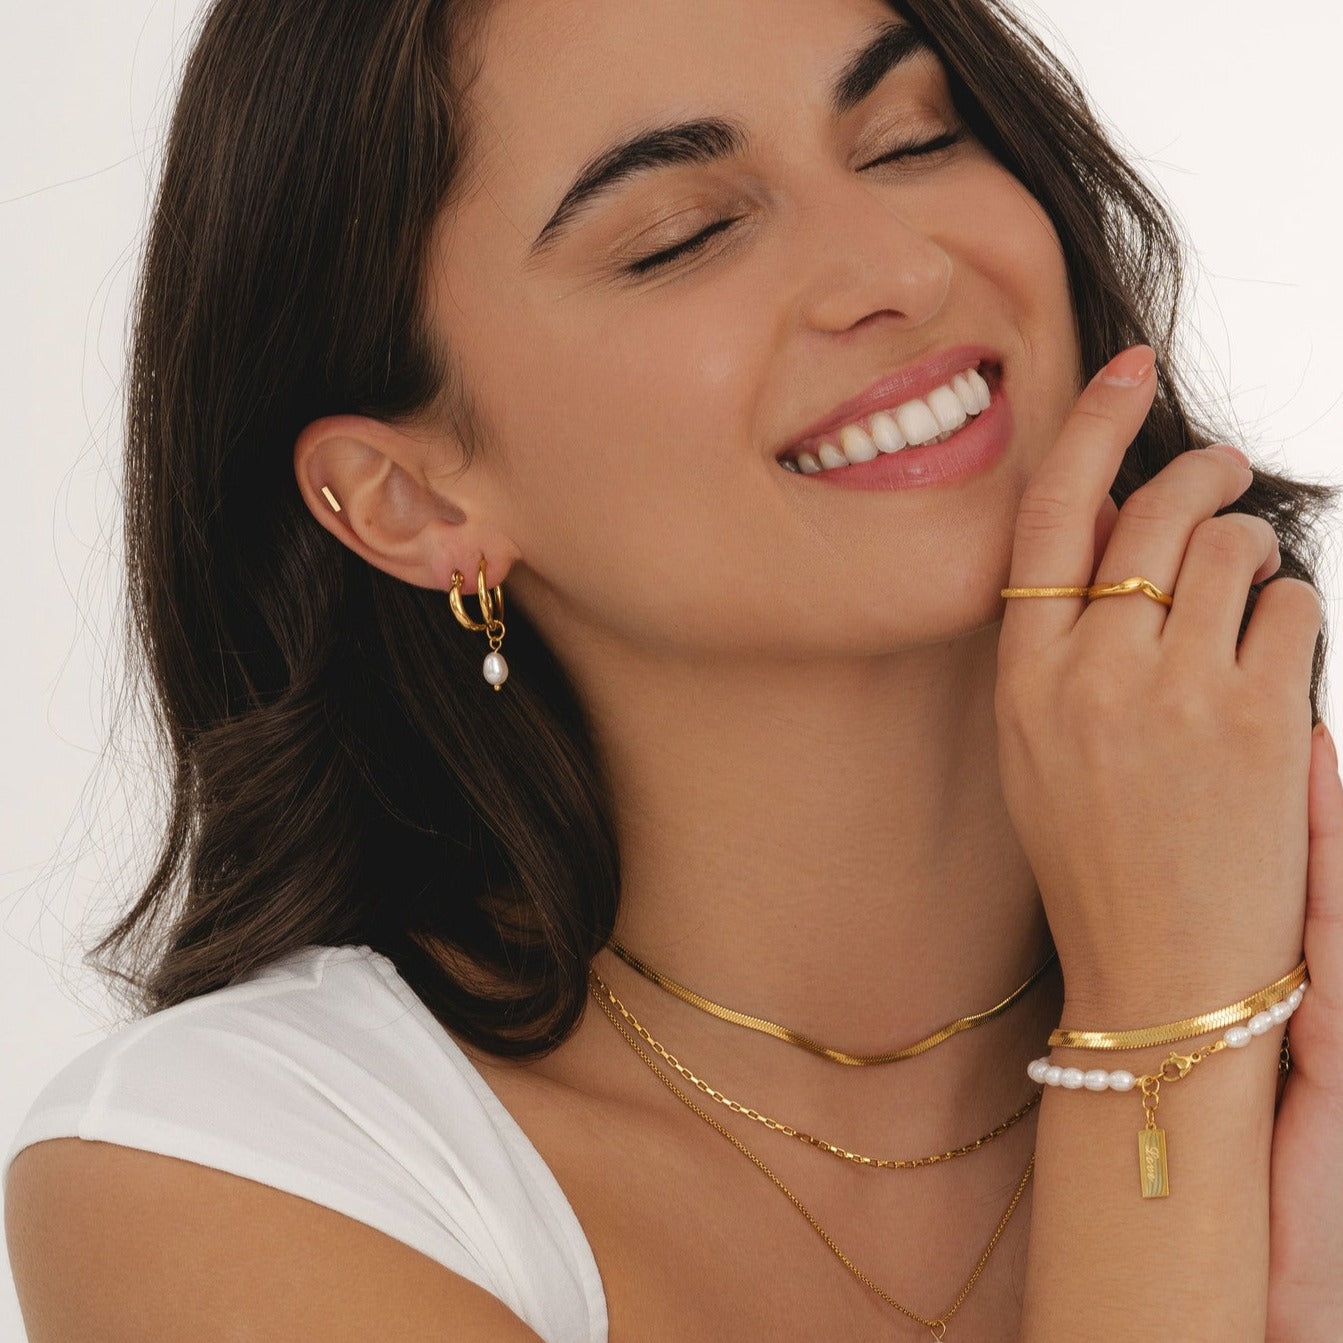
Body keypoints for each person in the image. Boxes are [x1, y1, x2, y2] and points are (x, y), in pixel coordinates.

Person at [4, 0, 1341, 1338]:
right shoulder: (238, 1173)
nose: (897, 267)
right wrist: (1168, 1033)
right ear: (409, 500)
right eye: (682, 236)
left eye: (911, 140)